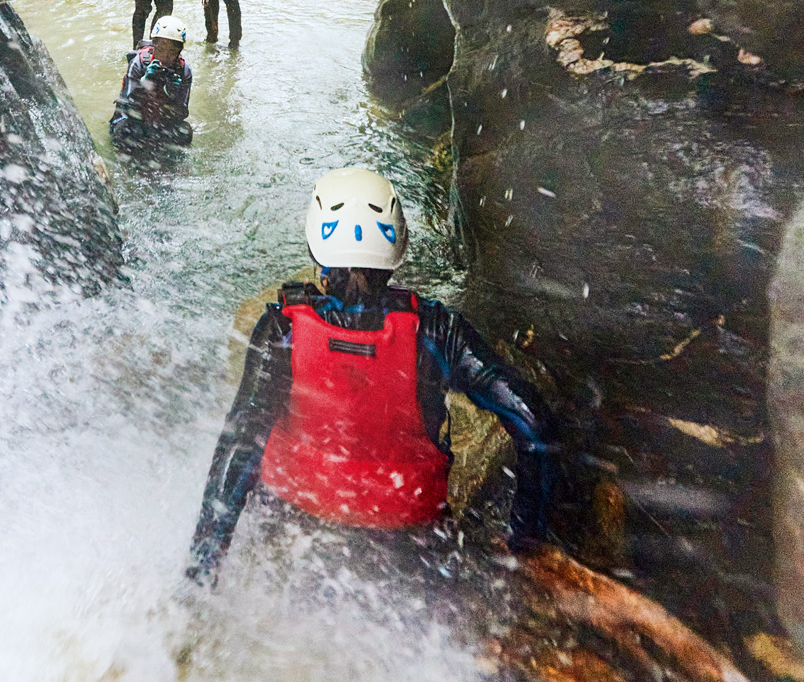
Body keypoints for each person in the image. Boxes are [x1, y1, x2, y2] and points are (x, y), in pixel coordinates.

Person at [185, 167, 560, 586]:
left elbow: (240, 444)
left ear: (316, 245)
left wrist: (204, 566)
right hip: (406, 540)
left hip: (294, 519)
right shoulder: (436, 330)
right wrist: (526, 545)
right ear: (397, 244)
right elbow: (534, 426)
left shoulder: (282, 329)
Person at [109, 15, 193, 150]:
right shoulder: (139, 64)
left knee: (184, 132)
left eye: (172, 51)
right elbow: (127, 107)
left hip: (159, 122)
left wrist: (173, 94)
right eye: (162, 49)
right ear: (154, 45)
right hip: (133, 120)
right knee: (130, 133)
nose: (166, 57)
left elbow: (181, 115)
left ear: (179, 51)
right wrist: (145, 84)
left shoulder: (184, 71)